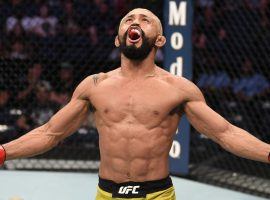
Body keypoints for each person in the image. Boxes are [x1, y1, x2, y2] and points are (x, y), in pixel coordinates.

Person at [0, 8, 269, 200]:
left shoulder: (179, 90)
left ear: (160, 40)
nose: (135, 22)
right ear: (118, 38)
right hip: (107, 193)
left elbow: (225, 133)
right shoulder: (94, 86)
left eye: (145, 19)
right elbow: (50, 133)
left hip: (157, 194)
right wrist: (3, 152)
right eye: (129, 18)